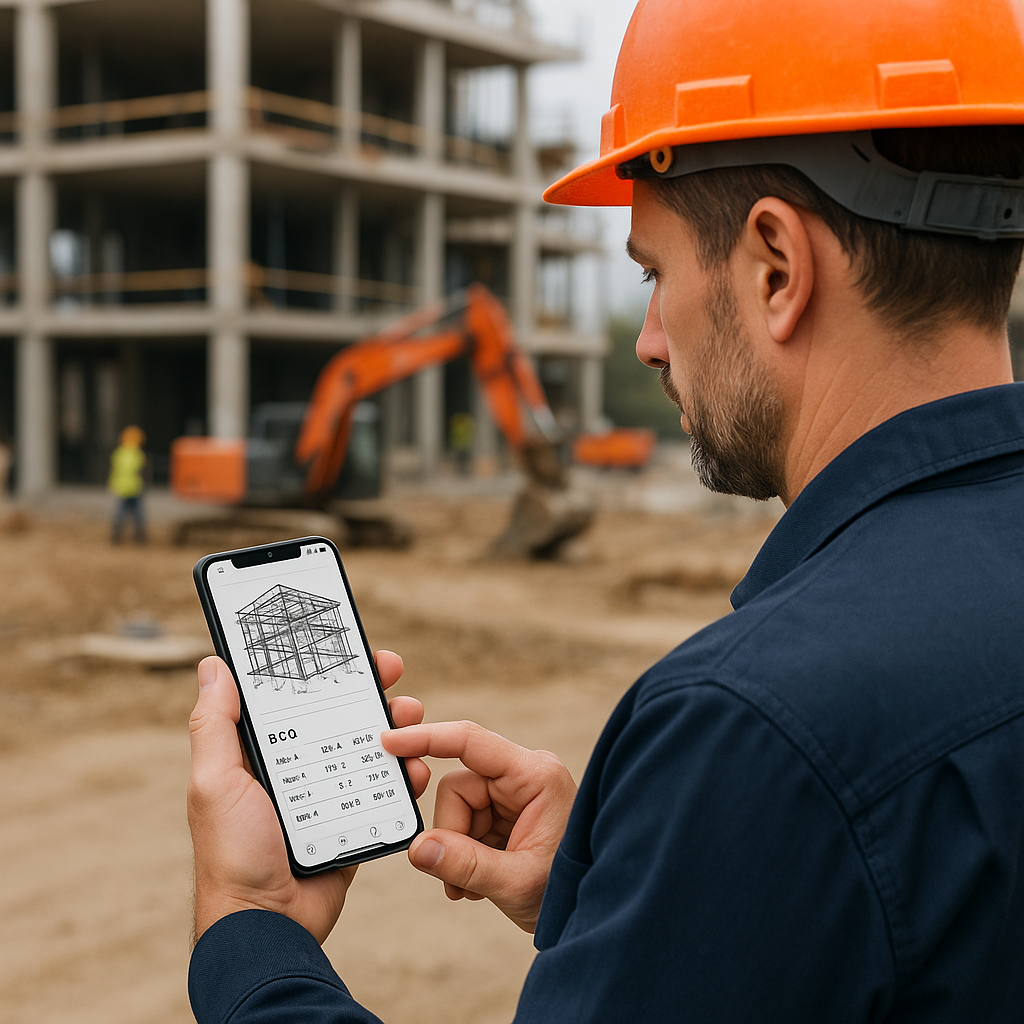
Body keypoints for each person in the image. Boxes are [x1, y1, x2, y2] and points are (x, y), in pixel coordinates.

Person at [187, 0, 1024, 1019]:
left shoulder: (755, 729)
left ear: (775, 267)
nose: (647, 341)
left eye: (653, 273)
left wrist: (249, 930)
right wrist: (656, 893)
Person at [108, 425, 147, 544]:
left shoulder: (118, 453)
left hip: (122, 488)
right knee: (138, 514)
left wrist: (113, 484)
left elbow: (114, 470)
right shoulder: (137, 454)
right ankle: (139, 538)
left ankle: (116, 536)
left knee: (120, 514)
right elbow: (142, 470)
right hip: (135, 488)